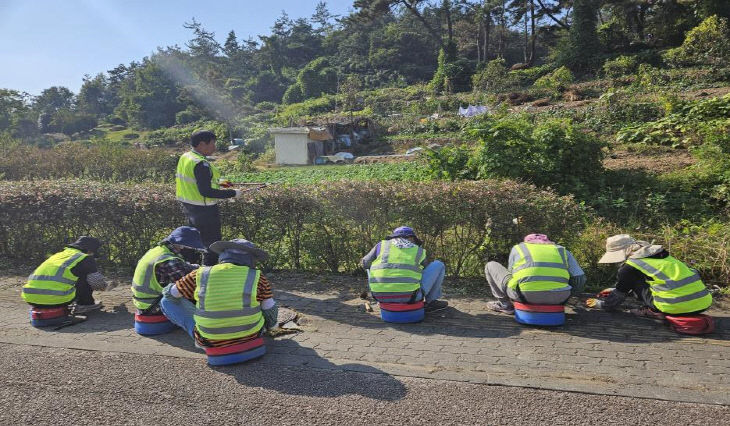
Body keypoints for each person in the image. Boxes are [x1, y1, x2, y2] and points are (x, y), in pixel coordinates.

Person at [159, 239, 279, 348]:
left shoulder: (200, 274)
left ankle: (202, 338)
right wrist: (272, 327)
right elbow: (269, 310)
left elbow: (171, 294)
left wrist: (169, 288)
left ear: (223, 254)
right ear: (251, 259)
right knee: (265, 301)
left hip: (210, 342)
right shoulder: (258, 277)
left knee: (166, 301)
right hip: (251, 337)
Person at [586, 234, 712, 318]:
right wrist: (615, 288)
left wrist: (602, 305)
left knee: (634, 282)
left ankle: (654, 310)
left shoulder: (629, 267)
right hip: (703, 303)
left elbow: (621, 292)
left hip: (673, 307)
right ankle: (658, 308)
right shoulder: (662, 255)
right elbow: (664, 282)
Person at [176, 130, 243, 265]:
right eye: (213, 144)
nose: (215, 147)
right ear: (202, 144)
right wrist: (233, 193)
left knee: (193, 243)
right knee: (212, 245)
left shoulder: (187, 157)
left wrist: (224, 183)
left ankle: (190, 273)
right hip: (205, 211)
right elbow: (206, 191)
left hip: (190, 208)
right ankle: (208, 274)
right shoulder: (201, 164)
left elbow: (203, 180)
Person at [484, 233, 586, 314]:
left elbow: (512, 275)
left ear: (526, 242)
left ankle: (505, 305)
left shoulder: (519, 248)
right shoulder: (561, 250)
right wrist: (568, 295)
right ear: (549, 242)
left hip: (524, 295)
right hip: (559, 298)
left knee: (490, 265)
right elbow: (580, 279)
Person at [361, 226, 448, 313]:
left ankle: (382, 292)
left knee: (370, 267)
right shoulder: (418, 250)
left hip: (379, 296)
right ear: (410, 238)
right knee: (438, 265)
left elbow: (365, 263)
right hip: (411, 297)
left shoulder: (381, 245)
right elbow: (425, 271)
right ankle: (431, 302)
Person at [22, 236, 116, 314]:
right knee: (85, 275)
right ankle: (85, 304)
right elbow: (96, 283)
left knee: (72, 275)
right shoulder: (85, 258)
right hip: (56, 300)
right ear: (89, 250)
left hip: (30, 298)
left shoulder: (59, 255)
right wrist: (106, 286)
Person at [131, 226, 206, 314]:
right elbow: (187, 284)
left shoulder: (158, 250)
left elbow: (183, 266)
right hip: (153, 306)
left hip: (142, 303)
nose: (191, 249)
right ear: (182, 245)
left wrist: (198, 267)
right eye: (190, 247)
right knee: (196, 294)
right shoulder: (168, 260)